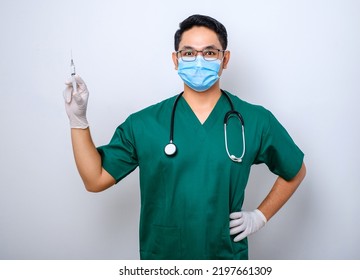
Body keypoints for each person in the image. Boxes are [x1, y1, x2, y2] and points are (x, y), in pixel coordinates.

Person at [63, 14, 306, 260]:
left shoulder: (255, 120)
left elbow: (295, 170)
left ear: (225, 59)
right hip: (164, 259)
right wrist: (78, 121)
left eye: (210, 53)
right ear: (175, 60)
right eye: (188, 53)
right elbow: (95, 180)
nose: (199, 61)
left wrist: (260, 217)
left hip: (225, 258)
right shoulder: (144, 124)